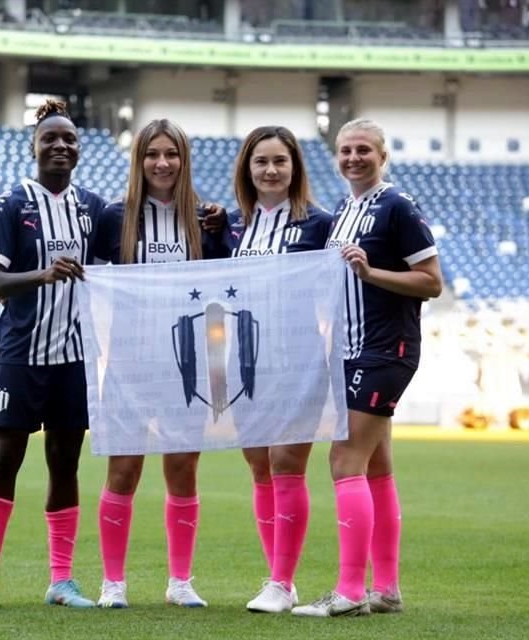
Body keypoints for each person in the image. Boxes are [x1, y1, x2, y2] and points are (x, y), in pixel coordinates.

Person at [291, 118, 443, 618]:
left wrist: (370, 271)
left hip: (385, 349)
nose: (353, 158)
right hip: (352, 349)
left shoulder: (397, 207)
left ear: (383, 156)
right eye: (345, 150)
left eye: (363, 150)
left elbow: (431, 282)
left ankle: (351, 592)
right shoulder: (343, 208)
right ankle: (387, 590)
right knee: (377, 467)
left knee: (343, 460)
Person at [0, 99, 109, 612]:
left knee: (64, 464)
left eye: (70, 139)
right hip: (19, 354)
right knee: (5, 460)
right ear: (34, 146)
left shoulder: (94, 208)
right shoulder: (12, 203)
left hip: (72, 358)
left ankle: (62, 580)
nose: (61, 146)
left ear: (79, 150)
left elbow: (127, 256)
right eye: (51, 138)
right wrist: (42, 275)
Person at [94, 118, 229, 609]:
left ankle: (180, 581)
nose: (162, 163)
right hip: (129, 364)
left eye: (171, 153)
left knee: (182, 469)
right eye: (152, 154)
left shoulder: (207, 220)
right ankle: (113, 583)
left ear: (183, 159)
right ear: (139, 161)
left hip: (188, 365)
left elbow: (224, 292)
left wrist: (216, 368)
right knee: (124, 471)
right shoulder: (115, 217)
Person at [224, 125, 333, 614]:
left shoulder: (320, 224)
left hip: (299, 361)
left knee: (288, 464)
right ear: (247, 169)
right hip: (243, 362)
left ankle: (280, 580)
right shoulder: (226, 225)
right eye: (260, 161)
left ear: (295, 168)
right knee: (259, 467)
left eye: (280, 162)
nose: (270, 170)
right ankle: (278, 582)